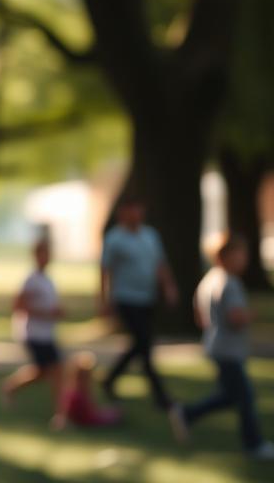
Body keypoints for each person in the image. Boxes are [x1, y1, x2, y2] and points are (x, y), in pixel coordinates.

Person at [169, 234, 274, 458]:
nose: (244, 259)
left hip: (215, 344)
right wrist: (249, 315)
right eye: (240, 254)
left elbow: (199, 315)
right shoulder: (230, 282)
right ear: (224, 256)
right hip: (228, 349)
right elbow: (235, 318)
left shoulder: (209, 279)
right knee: (245, 397)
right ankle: (254, 444)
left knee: (230, 395)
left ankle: (186, 414)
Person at [99, 195, 178, 408]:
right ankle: (160, 395)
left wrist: (168, 286)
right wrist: (104, 299)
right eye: (132, 209)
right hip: (126, 298)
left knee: (141, 344)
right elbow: (106, 271)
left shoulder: (150, 236)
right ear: (123, 213)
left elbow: (160, 264)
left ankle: (110, 379)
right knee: (144, 343)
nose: (136, 214)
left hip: (147, 298)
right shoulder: (114, 239)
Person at [0, 235, 65, 424]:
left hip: (46, 333)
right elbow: (18, 306)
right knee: (56, 370)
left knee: (43, 372)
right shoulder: (31, 280)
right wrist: (46, 313)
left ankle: (10, 387)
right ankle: (60, 414)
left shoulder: (48, 279)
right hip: (34, 333)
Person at [54, 353, 122, 429]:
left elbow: (92, 408)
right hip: (89, 420)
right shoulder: (74, 394)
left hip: (90, 417)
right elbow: (65, 411)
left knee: (112, 411)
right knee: (115, 414)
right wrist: (62, 421)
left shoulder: (81, 391)